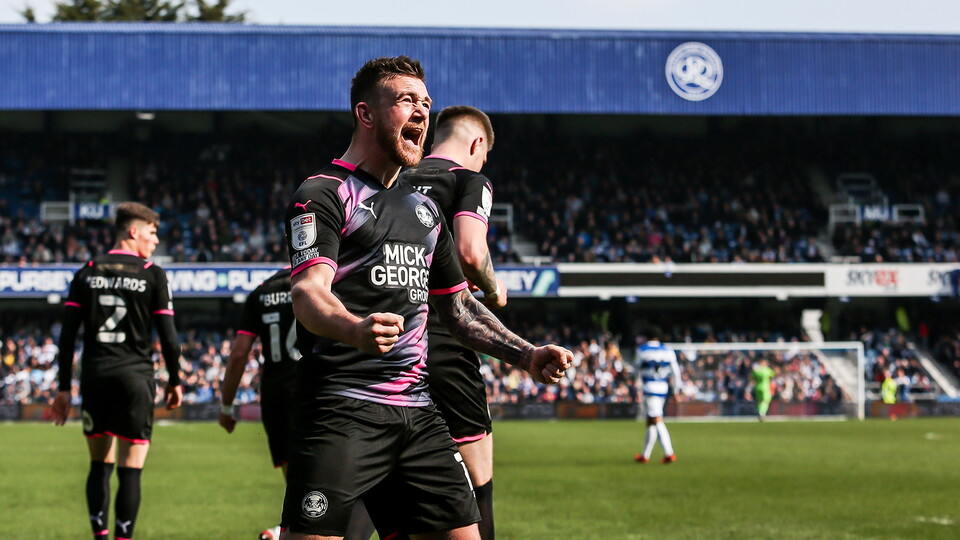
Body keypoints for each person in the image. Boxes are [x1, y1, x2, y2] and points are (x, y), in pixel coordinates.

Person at [280, 56, 572, 540]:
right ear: (366, 114)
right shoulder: (323, 194)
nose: (421, 112)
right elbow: (309, 294)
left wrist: (527, 353)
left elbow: (457, 309)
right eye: (405, 100)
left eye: (426, 103)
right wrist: (354, 328)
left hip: (419, 415)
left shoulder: (425, 210)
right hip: (342, 409)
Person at [399, 105, 505, 540]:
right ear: (477, 144)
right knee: (478, 480)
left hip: (388, 343)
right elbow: (470, 251)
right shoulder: (469, 180)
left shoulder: (394, 178)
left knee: (390, 480)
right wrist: (495, 290)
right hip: (443, 336)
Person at [51, 202, 183, 540]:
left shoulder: (87, 271)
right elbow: (168, 336)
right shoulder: (153, 273)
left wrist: (64, 388)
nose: (155, 241)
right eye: (152, 233)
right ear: (133, 231)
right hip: (136, 378)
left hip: (95, 377)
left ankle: (100, 536)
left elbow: (67, 338)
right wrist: (175, 380)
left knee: (99, 465)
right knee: (131, 469)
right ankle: (123, 537)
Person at [219, 267, 375, 540]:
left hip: (276, 394)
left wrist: (226, 408)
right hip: (319, 386)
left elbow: (239, 353)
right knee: (341, 472)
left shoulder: (261, 292)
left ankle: (289, 529)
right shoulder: (322, 282)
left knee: (299, 480)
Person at [634, 327, 680, 464]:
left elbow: (637, 372)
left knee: (656, 420)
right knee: (651, 422)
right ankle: (644, 455)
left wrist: (637, 390)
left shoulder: (642, 350)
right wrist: (676, 391)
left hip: (649, 387)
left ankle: (669, 453)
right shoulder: (668, 350)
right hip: (663, 388)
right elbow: (676, 373)